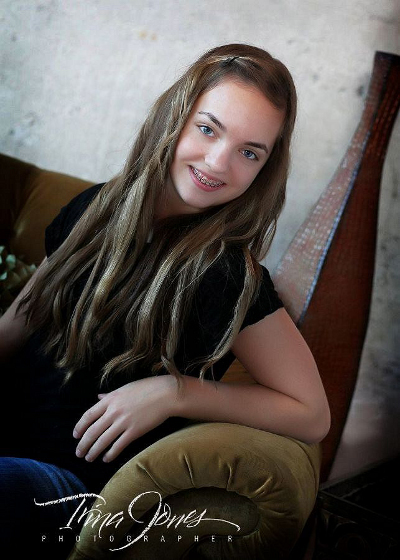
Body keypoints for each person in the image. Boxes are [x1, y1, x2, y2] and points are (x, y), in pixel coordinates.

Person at [0, 43, 330, 555]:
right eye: (208, 129)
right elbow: (19, 321)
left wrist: (174, 393)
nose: (218, 162)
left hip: (66, 488)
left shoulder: (225, 275)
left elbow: (311, 414)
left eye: (249, 152)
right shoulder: (95, 208)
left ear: (264, 169)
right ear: (174, 118)